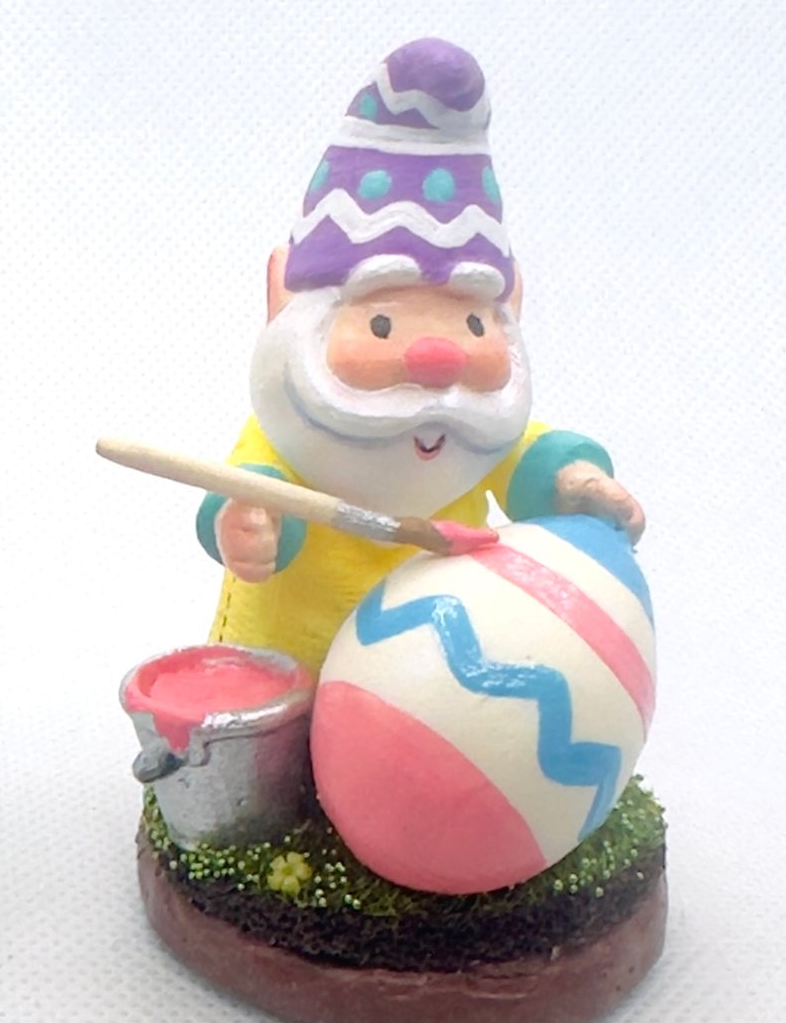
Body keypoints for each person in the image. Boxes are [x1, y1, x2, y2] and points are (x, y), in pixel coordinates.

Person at [200, 38, 643, 673]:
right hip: (291, 659)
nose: (438, 358)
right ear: (281, 299)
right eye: (382, 324)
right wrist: (248, 520)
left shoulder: (476, 430)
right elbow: (252, 485)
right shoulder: (290, 427)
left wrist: (571, 480)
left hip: (432, 674)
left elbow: (525, 459)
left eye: (471, 323)